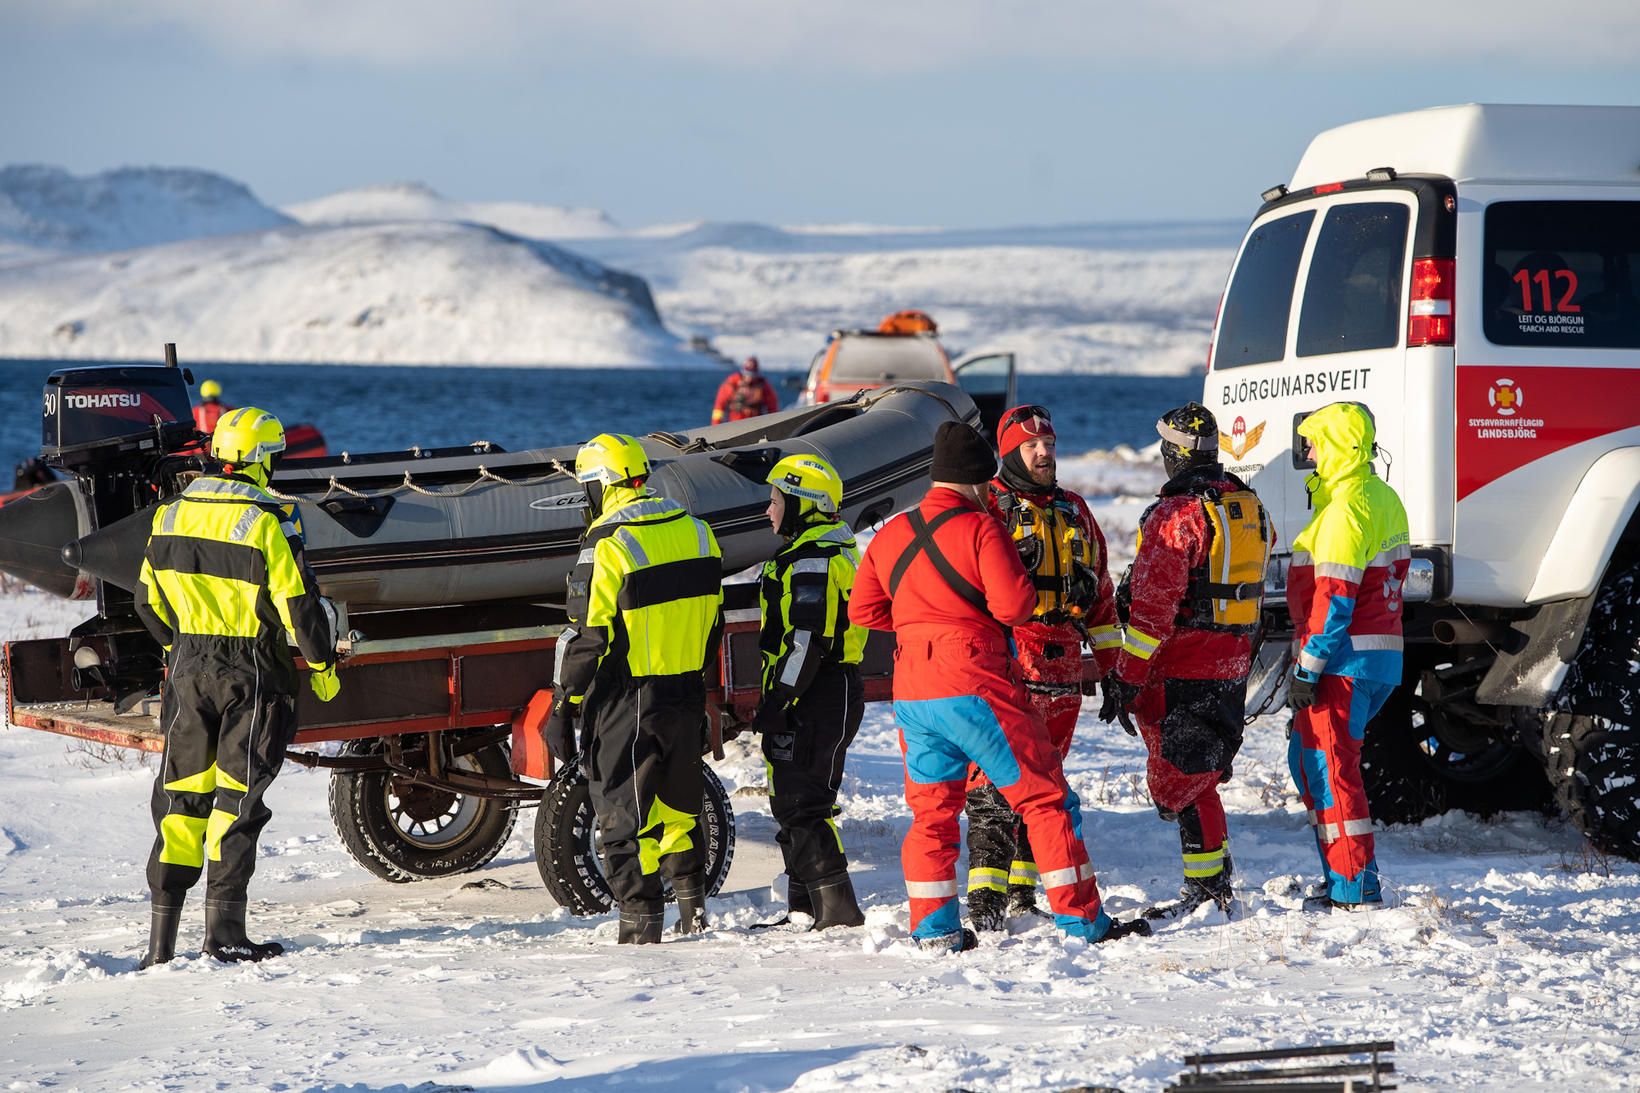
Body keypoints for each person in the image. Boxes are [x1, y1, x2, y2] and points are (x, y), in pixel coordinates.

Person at [849, 420, 1148, 952]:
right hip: (976, 681)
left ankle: (934, 929)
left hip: (914, 689)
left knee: (933, 811)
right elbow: (1015, 607)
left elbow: (865, 610)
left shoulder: (892, 532)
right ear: (978, 479)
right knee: (1044, 797)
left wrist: (925, 623)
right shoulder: (983, 528)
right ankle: (1082, 921)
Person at [134, 407, 341, 967]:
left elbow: (146, 602)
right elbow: (299, 604)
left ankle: (161, 943)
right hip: (250, 670)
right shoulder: (270, 518)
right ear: (260, 459)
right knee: (236, 799)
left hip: (187, 666)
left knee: (180, 800)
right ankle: (224, 932)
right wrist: (321, 665)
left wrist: (178, 649)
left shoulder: (170, 513)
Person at [544, 433, 725, 943]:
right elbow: (715, 621)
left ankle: (641, 930)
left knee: (623, 816)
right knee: (677, 808)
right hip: (686, 690)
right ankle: (693, 912)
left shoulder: (607, 544)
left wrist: (563, 703)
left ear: (601, 486)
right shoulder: (697, 531)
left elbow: (588, 637)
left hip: (630, 696)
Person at [1104, 403, 1272, 922]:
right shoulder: (1247, 504)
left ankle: (1207, 892)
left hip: (1182, 665)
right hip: (1234, 661)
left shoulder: (1175, 517)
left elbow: (1152, 612)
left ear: (1171, 452)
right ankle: (1215, 885)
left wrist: (1126, 680)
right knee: (1202, 773)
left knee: (1184, 779)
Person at [965, 404, 1122, 932]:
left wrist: (1112, 669)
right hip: (1008, 662)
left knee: (1046, 782)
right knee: (991, 780)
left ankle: (1020, 890)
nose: (1044, 454)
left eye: (1050, 446)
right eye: (1032, 446)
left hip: (1062, 672)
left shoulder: (1076, 510)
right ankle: (983, 897)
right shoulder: (987, 507)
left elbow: (1101, 597)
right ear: (1009, 451)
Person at [1286, 402, 1409, 911]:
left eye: (1314, 443)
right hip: (1376, 661)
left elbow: (1334, 599)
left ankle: (1356, 888)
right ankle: (1344, 876)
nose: (1309, 454)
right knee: (1309, 762)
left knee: (1330, 771)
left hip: (1341, 663)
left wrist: (1306, 669)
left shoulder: (1343, 511)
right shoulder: (1381, 496)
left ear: (1336, 445)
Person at [752, 453, 868, 929]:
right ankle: (803, 909)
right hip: (819, 690)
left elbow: (808, 638)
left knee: (804, 802)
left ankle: (837, 911)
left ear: (802, 504)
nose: (768, 510)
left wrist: (781, 698)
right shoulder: (815, 551)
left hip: (815, 691)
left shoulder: (813, 559)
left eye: (776, 500)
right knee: (792, 797)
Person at [711, 357, 779, 424]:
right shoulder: (731, 383)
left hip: (756, 424)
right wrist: (715, 425)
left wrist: (773, 424)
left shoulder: (763, 385)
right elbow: (719, 406)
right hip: (735, 423)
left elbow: (773, 407)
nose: (749, 377)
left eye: (752, 374)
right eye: (747, 373)